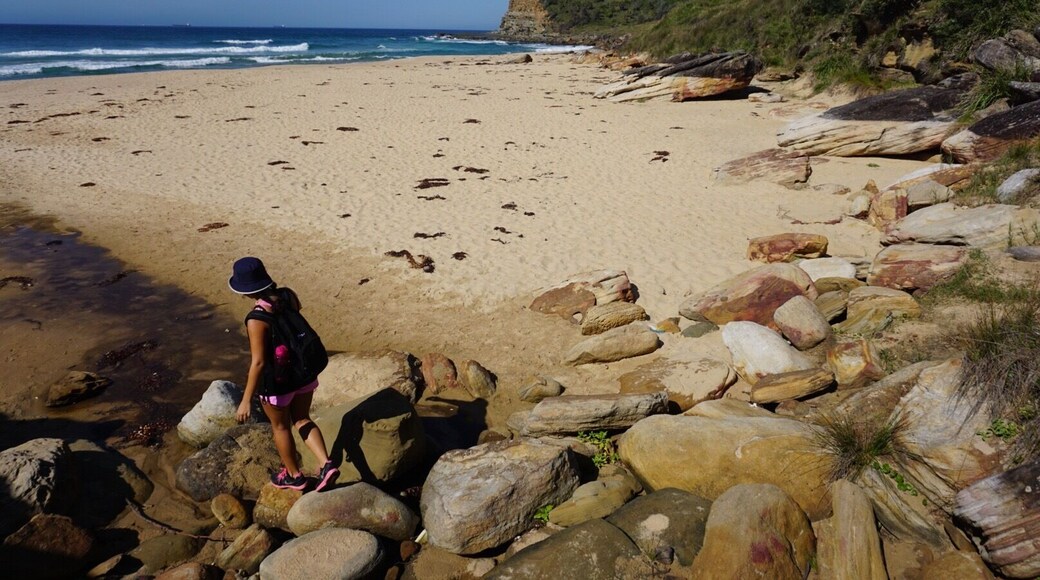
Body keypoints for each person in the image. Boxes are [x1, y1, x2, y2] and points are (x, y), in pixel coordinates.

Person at [229, 257, 339, 491]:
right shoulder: (288, 295)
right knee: (302, 419)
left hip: (278, 383)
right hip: (304, 372)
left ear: (244, 290)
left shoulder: (256, 320)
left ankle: (293, 476)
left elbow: (258, 362)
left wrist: (246, 400)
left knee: (280, 428)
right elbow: (291, 326)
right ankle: (326, 464)